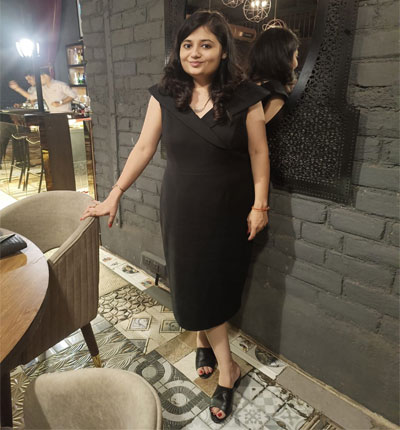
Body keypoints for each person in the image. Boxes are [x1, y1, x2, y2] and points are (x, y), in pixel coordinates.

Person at [81, 10, 270, 423]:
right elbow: (144, 147)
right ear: (178, 51)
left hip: (228, 205)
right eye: (187, 45)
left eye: (206, 45)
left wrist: (260, 205)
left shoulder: (246, 97)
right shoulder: (165, 95)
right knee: (191, 281)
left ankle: (213, 350)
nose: (195, 53)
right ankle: (223, 362)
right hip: (182, 205)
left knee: (215, 281)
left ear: (223, 51)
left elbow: (259, 152)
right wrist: (115, 193)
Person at [247, 25, 299, 124]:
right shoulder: (276, 93)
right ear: (284, 59)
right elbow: (270, 131)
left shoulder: (247, 85)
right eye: (296, 56)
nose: (296, 64)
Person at [9, 68, 77, 113]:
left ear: (45, 76)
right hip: (53, 115)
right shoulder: (42, 88)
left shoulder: (60, 84)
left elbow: (73, 95)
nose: (37, 80)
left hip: (66, 114)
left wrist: (61, 102)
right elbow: (30, 97)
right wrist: (17, 88)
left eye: (39, 78)